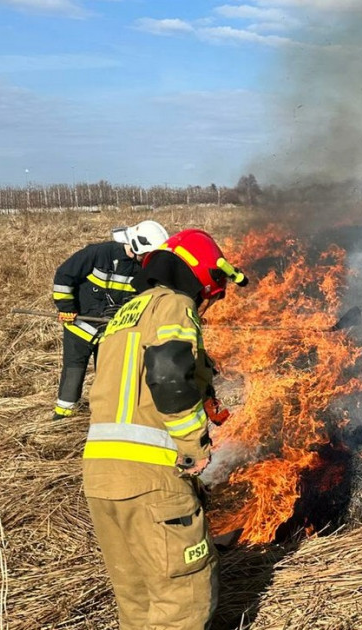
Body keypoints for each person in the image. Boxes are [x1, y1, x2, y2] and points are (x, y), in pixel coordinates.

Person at [82, 229, 247, 630]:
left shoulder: (125, 313)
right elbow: (170, 374)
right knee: (182, 602)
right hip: (151, 479)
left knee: (138, 602)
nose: (206, 306)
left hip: (102, 478)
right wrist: (193, 447)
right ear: (198, 278)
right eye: (209, 295)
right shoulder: (174, 305)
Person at [51, 220, 169, 419]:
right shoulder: (99, 253)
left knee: (108, 374)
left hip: (112, 330)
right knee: (74, 370)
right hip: (80, 325)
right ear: (138, 245)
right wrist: (67, 308)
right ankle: (63, 414)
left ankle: (103, 414)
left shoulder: (145, 269)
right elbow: (64, 276)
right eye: (150, 254)